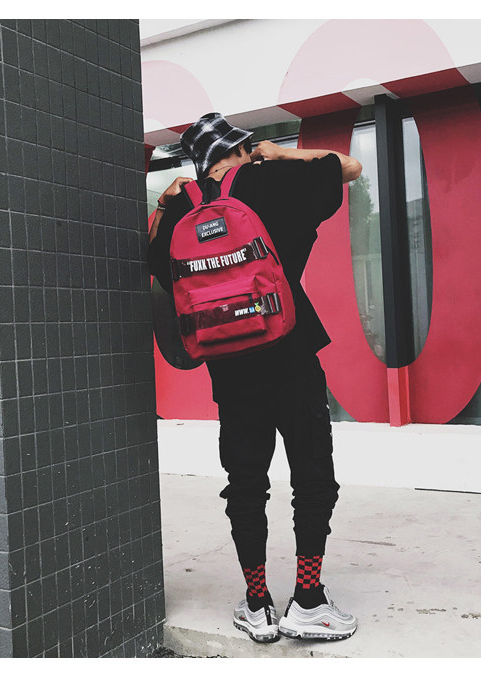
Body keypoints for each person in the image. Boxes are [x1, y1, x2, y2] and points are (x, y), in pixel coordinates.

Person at [147, 113, 362, 643]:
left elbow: (156, 267)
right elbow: (348, 167)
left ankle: (257, 603)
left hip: (230, 369)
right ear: (241, 149)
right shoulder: (273, 179)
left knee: (245, 483)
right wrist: (281, 153)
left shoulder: (180, 207)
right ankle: (308, 600)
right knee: (312, 475)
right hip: (291, 354)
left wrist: (165, 203)